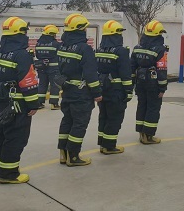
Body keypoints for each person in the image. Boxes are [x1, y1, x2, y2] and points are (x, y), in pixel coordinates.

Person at [0, 16, 40, 184]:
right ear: (20, 34)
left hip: (2, 103)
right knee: (16, 139)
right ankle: (8, 174)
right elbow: (28, 81)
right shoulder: (22, 55)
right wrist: (33, 104)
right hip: (18, 106)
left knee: (2, 136)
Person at [57, 13, 102, 166]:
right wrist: (97, 93)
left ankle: (63, 154)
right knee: (79, 124)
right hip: (81, 93)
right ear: (80, 29)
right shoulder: (84, 49)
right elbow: (90, 74)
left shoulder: (62, 46)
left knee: (67, 121)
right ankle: (73, 156)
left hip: (67, 90)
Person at [95, 20, 133, 155]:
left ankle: (102, 144)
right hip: (116, 90)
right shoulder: (121, 51)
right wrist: (129, 91)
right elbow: (125, 73)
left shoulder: (99, 49)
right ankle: (109, 146)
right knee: (115, 118)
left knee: (103, 116)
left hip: (102, 87)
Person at [131, 20, 168, 145]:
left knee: (142, 106)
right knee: (153, 108)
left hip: (140, 81)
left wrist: (132, 83)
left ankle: (141, 133)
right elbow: (162, 70)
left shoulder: (137, 47)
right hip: (153, 83)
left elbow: (132, 67)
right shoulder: (160, 49)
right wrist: (162, 88)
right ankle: (148, 136)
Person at [34, 24, 62, 110]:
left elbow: (37, 55)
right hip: (54, 68)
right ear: (52, 34)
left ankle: (39, 103)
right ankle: (54, 104)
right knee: (55, 85)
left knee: (42, 84)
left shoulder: (38, 43)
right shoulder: (56, 44)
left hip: (41, 67)